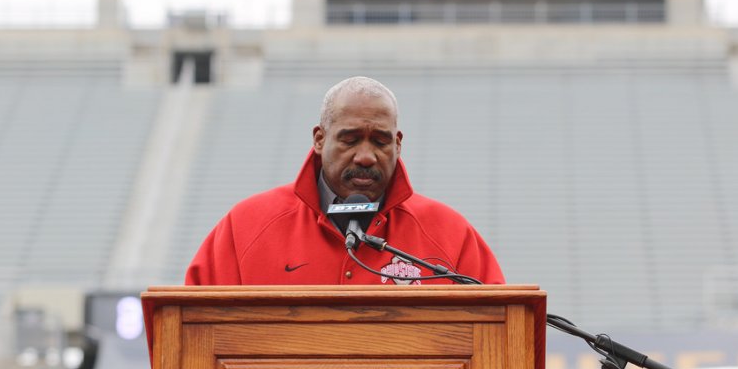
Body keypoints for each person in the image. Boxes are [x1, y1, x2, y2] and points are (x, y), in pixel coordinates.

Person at [185, 76, 504, 285]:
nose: (366, 156)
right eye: (350, 140)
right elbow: (188, 333)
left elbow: (500, 336)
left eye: (380, 141)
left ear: (398, 144)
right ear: (320, 139)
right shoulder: (245, 229)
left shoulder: (450, 236)